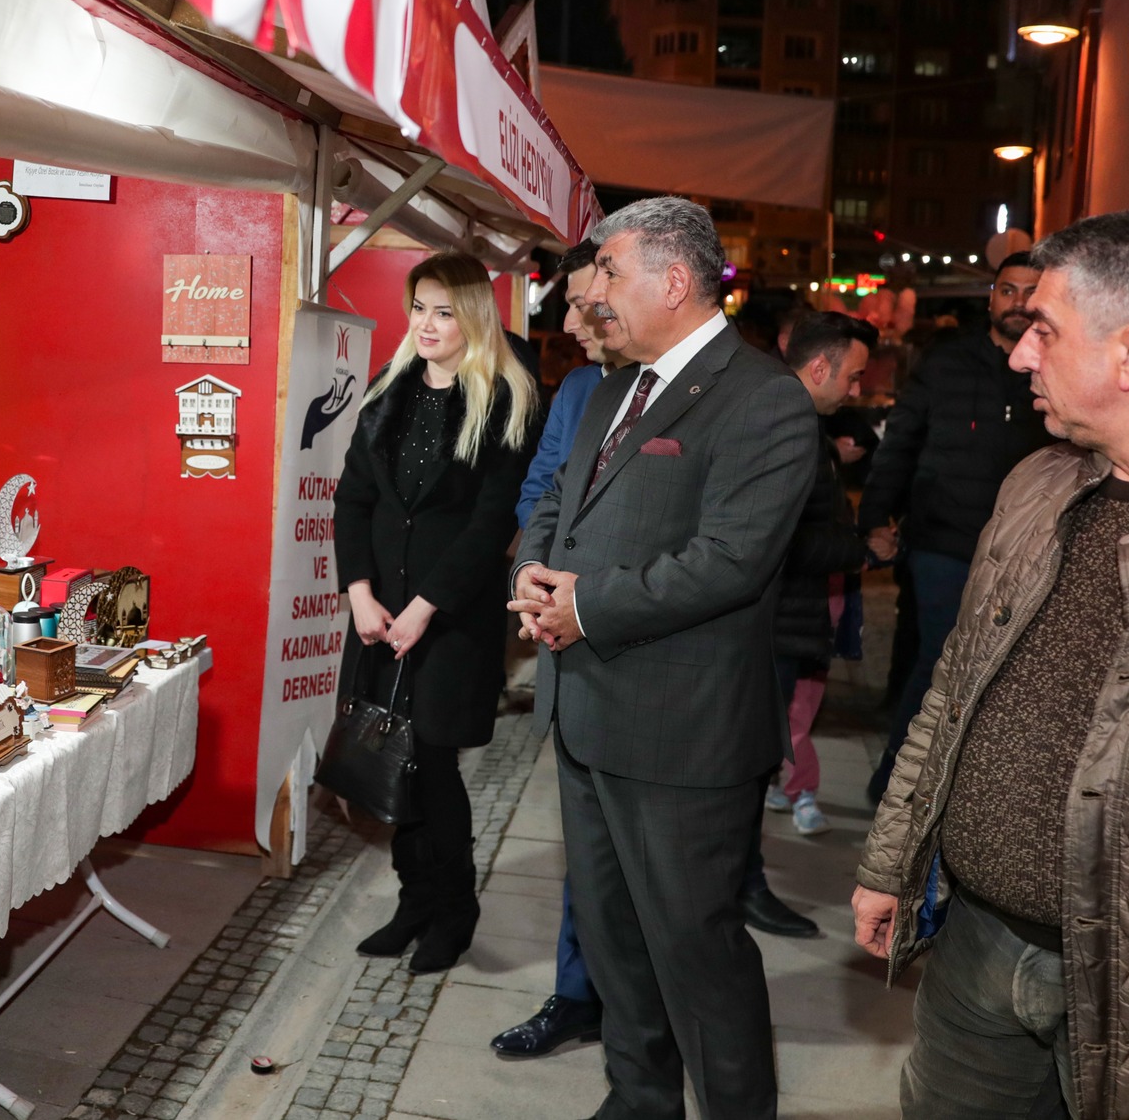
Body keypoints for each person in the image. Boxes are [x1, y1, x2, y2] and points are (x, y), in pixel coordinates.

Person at [854, 208, 1129, 1120]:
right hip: (974, 950)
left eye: (1043, 330)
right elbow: (954, 686)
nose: (1018, 356)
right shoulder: (1038, 483)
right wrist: (891, 859)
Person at [512, 197, 817, 1120]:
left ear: (674, 281)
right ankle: (637, 1099)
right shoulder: (610, 387)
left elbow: (730, 560)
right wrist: (531, 568)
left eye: (608, 272)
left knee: (696, 950)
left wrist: (586, 606)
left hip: (683, 738)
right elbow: (558, 497)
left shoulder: (764, 397)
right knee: (611, 939)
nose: (592, 293)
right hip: (587, 715)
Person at [333, 252, 538, 975]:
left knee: (435, 769)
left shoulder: (506, 399)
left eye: (444, 310)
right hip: (378, 613)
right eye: (419, 306)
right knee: (393, 759)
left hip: (450, 619)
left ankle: (454, 910)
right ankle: (413, 900)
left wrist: (424, 606)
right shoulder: (389, 389)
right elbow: (353, 498)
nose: (426, 322)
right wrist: (359, 590)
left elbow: (491, 526)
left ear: (474, 315)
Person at [490, 241, 625, 1058]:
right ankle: (578, 995)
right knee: (585, 847)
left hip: (653, 659)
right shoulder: (577, 388)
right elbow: (538, 486)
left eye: (583, 306)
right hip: (570, 657)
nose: (568, 324)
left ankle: (646, 1016)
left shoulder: (709, 395)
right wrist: (532, 570)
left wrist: (595, 596)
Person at [860, 253, 1049, 802]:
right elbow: (901, 443)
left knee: (1002, 671)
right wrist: (876, 517)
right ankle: (896, 783)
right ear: (991, 297)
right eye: (1007, 291)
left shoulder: (1055, 365)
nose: (1017, 303)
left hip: (1023, 548)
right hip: (944, 539)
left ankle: (964, 791)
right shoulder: (946, 362)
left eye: (1029, 292)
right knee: (941, 660)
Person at [767, 312, 877, 836]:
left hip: (791, 615)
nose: (856, 390)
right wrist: (859, 548)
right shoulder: (786, 426)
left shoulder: (805, 424)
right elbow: (785, 537)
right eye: (853, 376)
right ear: (818, 368)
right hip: (778, 618)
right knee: (765, 736)